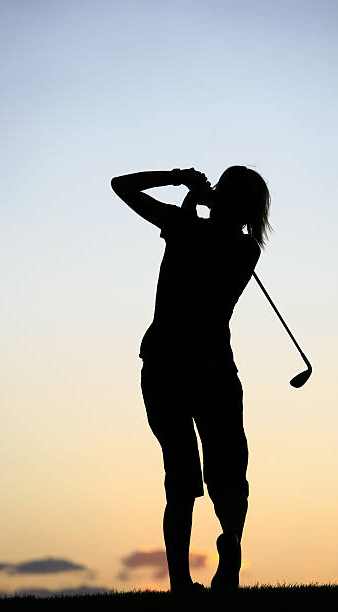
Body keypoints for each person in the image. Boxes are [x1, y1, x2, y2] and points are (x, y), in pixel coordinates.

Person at [111, 166, 272, 594]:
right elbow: (208, 237)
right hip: (216, 370)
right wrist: (201, 202)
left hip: (166, 366)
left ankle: (181, 583)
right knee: (229, 473)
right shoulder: (246, 250)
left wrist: (180, 181)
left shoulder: (185, 225)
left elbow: (121, 186)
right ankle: (232, 542)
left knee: (180, 477)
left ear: (221, 197)